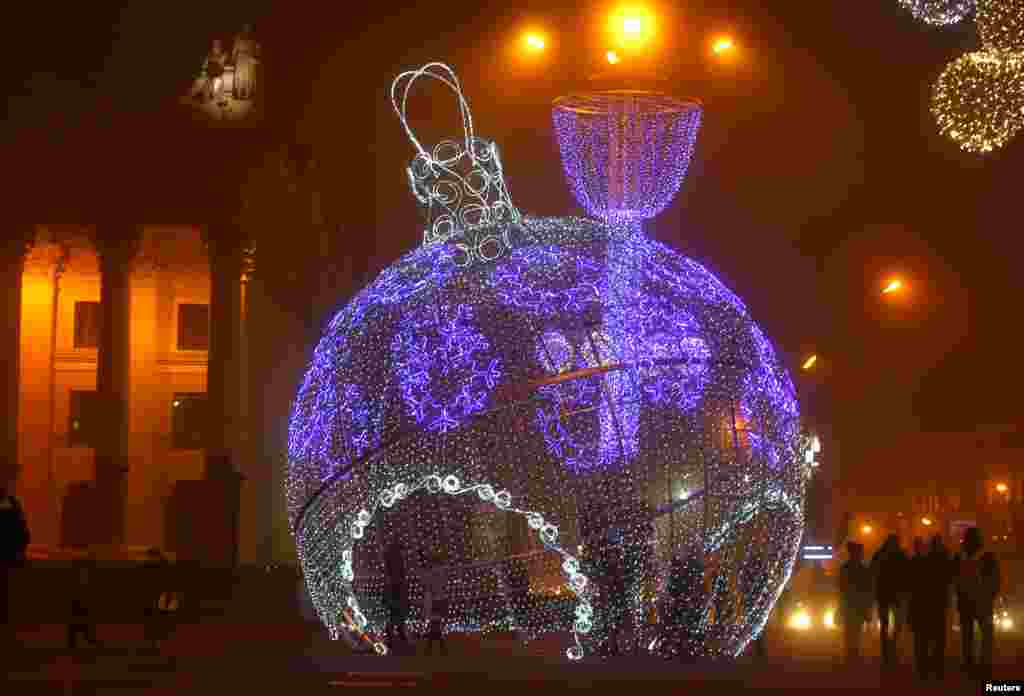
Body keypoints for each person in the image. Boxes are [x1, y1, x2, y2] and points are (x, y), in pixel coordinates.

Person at [954, 527, 999, 679]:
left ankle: (968, 663)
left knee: (967, 636)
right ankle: (985, 664)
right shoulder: (987, 556)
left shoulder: (959, 556)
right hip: (983, 601)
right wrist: (991, 595)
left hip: (966, 602)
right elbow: (995, 579)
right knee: (986, 634)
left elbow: (954, 579)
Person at [913, 535, 954, 680]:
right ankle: (937, 668)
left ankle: (924, 668)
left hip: (925, 605)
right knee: (938, 639)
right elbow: (950, 579)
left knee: (924, 639)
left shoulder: (924, 561)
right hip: (938, 604)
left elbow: (917, 585)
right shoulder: (944, 560)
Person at [870, 534, 909, 667]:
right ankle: (890, 646)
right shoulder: (900, 554)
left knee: (886, 624)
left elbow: (873, 571)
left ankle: (887, 648)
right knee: (895, 624)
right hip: (894, 594)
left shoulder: (880, 554)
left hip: (884, 594)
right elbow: (906, 573)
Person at [0, 484, 31, 644]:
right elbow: (24, 533)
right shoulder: (12, 504)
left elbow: (24, 533)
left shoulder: (12, 504)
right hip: (10, 556)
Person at [839, 541, 873, 665]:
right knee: (855, 631)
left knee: (850, 631)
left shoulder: (845, 568)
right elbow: (868, 588)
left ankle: (850, 654)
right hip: (857, 604)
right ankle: (853, 653)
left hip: (850, 603)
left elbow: (841, 588)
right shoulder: (863, 569)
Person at [143, 548, 179, 652]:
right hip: (161, 596)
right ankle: (160, 642)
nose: (149, 559)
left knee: (158, 620)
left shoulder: (159, 566)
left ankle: (158, 642)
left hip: (160, 596)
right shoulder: (165, 565)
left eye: (150, 557)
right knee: (160, 620)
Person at [67, 551, 101, 649]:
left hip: (79, 597)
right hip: (80, 598)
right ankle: (84, 638)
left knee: (80, 620)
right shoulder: (84, 573)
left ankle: (81, 638)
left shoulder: (83, 572)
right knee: (81, 619)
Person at [739, 551, 769, 659]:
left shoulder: (748, 568)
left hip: (752, 599)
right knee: (756, 623)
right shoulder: (758, 568)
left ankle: (755, 646)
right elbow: (765, 580)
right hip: (755, 599)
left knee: (752, 622)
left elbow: (743, 582)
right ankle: (757, 647)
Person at [383, 539, 410, 653]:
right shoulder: (396, 561)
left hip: (394, 590)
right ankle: (397, 640)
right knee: (396, 617)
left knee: (394, 617)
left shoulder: (392, 559)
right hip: (395, 590)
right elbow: (397, 574)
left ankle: (394, 640)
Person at [421, 553, 450, 657]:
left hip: (435, 601)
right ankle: (437, 647)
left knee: (435, 625)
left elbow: (427, 585)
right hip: (439, 600)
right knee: (435, 625)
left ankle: (434, 647)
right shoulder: (441, 572)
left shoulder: (433, 573)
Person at [230, 24, 260, 99]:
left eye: (248, 27)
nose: (247, 29)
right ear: (243, 28)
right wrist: (233, 59)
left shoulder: (254, 38)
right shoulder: (238, 37)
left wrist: (255, 57)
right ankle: (239, 94)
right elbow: (234, 50)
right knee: (239, 77)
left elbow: (257, 50)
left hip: (249, 59)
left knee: (249, 78)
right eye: (245, 27)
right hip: (240, 59)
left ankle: (248, 95)